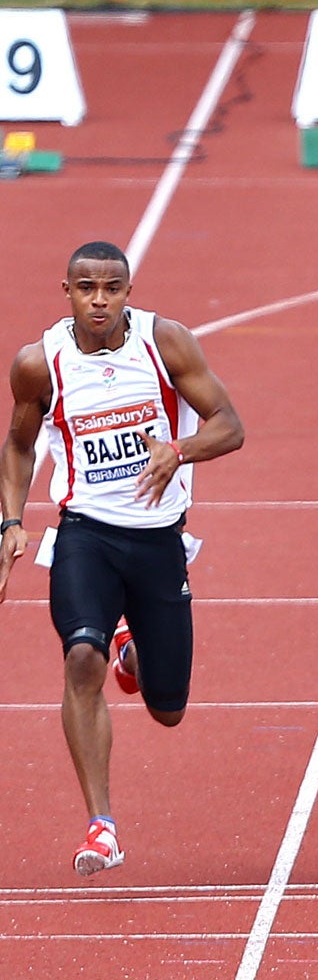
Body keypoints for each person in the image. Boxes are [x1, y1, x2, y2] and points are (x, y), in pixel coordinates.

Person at [0, 240, 244, 875]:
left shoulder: (167, 345)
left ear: (128, 291)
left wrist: (180, 450)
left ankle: (132, 649)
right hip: (85, 534)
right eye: (87, 288)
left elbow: (230, 424)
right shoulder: (40, 363)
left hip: (159, 540)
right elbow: (20, 443)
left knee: (168, 708)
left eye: (112, 288)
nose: (99, 300)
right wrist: (11, 522)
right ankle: (101, 826)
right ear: (68, 291)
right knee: (82, 657)